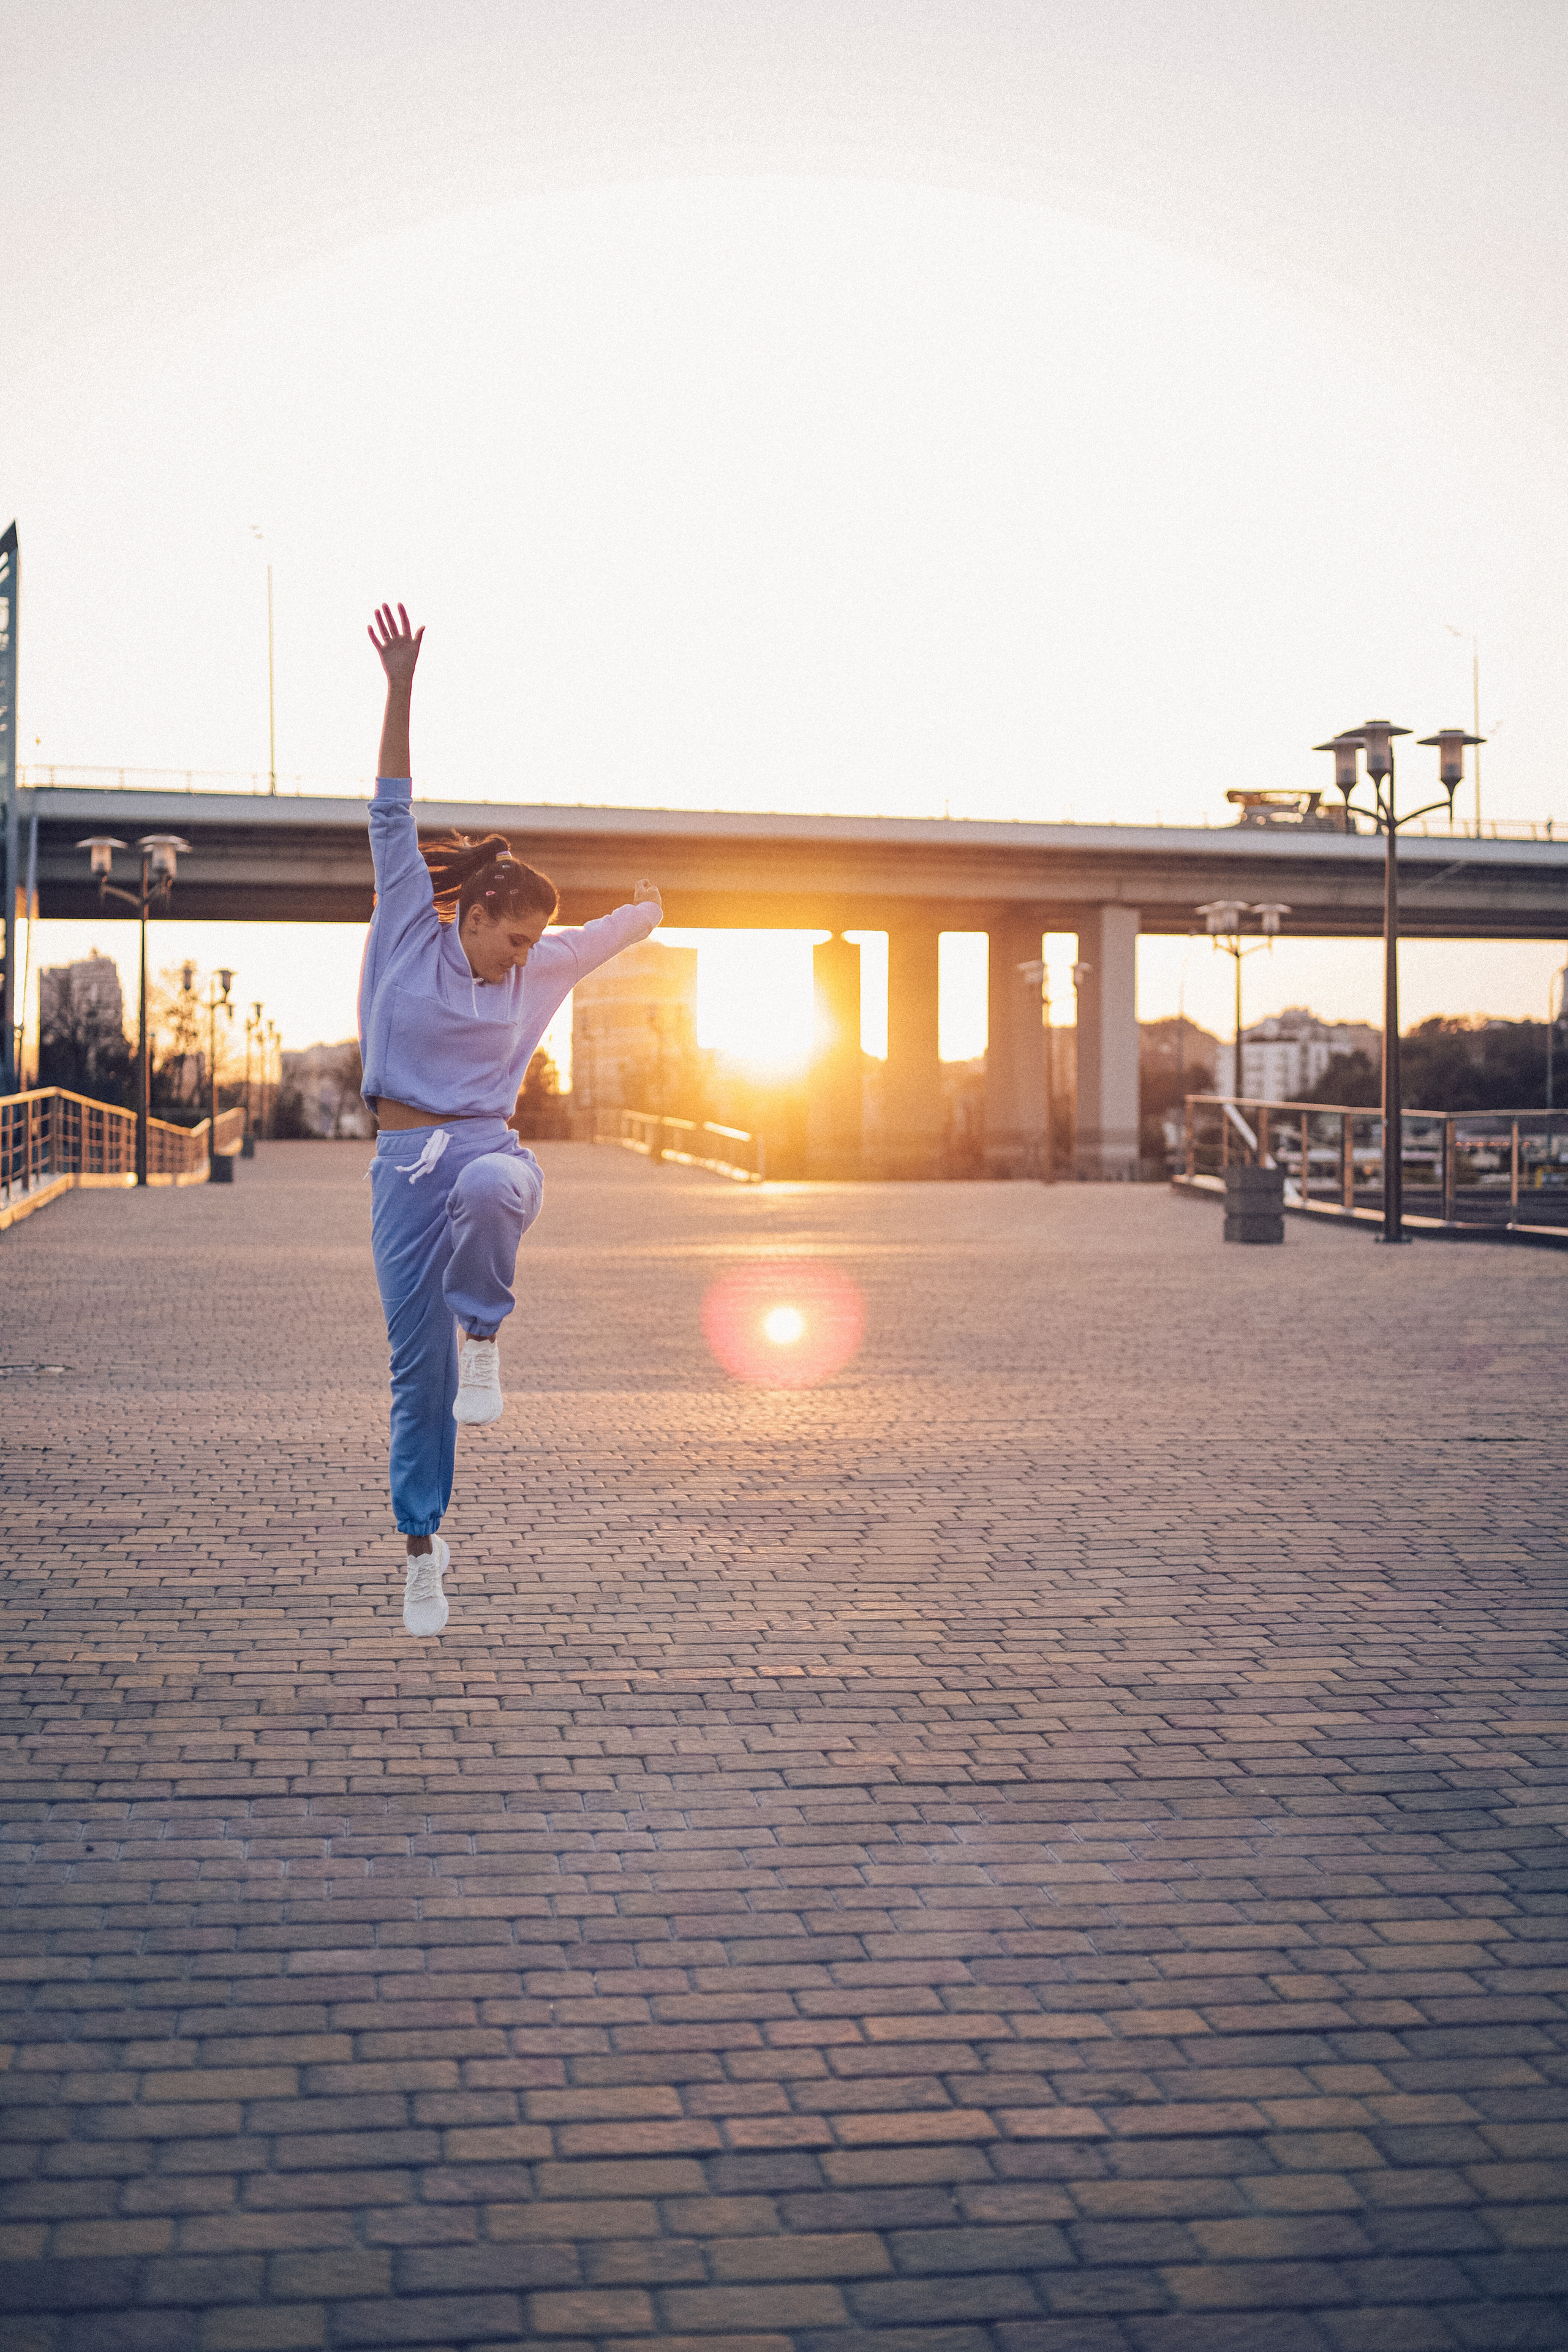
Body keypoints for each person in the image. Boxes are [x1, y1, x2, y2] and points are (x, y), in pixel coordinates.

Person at [361, 603, 662, 1635]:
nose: (530, 955)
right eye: (516, 936)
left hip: (489, 1151)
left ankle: (486, 1328)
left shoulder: (545, 964)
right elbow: (391, 809)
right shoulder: (409, 923)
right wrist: (401, 685)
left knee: (495, 1190)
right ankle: (420, 1547)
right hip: (403, 1163)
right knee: (415, 1375)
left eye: (541, 940)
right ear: (472, 914)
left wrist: (652, 909)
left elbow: (610, 934)